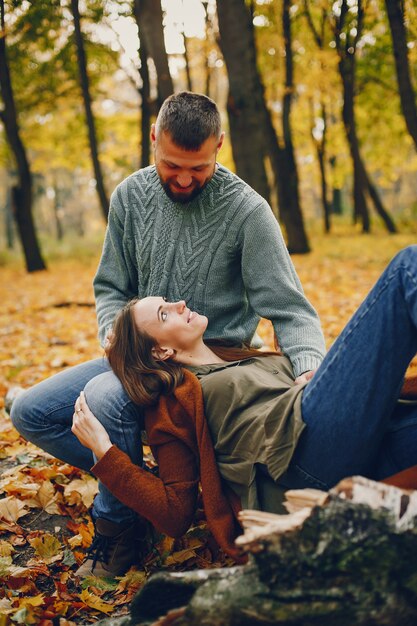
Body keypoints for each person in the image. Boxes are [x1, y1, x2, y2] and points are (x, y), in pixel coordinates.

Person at [10, 92, 325, 575]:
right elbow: (112, 287)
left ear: (219, 145)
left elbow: (289, 307)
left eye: (197, 168)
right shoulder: (130, 197)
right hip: (143, 347)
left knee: (103, 397)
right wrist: (113, 337)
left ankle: (119, 531)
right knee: (33, 412)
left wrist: (309, 368)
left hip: (202, 360)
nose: (183, 178)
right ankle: (139, 482)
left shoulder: (247, 211)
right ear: (153, 139)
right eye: (172, 164)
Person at [70, 246, 417, 575]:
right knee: (407, 268)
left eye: (167, 301)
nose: (179, 303)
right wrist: (106, 452)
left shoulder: (241, 354)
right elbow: (175, 513)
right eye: (164, 313)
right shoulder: (176, 401)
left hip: (347, 437)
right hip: (298, 456)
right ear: (160, 351)